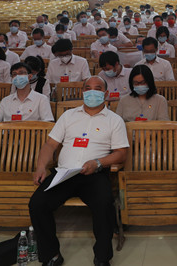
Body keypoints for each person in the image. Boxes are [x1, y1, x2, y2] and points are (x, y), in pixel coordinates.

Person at [29, 76, 129, 266]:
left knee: (104, 204)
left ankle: (102, 257)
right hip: (64, 174)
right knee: (37, 204)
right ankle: (51, 255)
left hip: (94, 174)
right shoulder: (68, 116)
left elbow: (121, 154)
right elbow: (50, 145)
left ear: (106, 93)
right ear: (82, 92)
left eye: (97, 88)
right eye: (88, 88)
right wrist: (41, 167)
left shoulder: (114, 120)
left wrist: (98, 163)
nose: (92, 92)